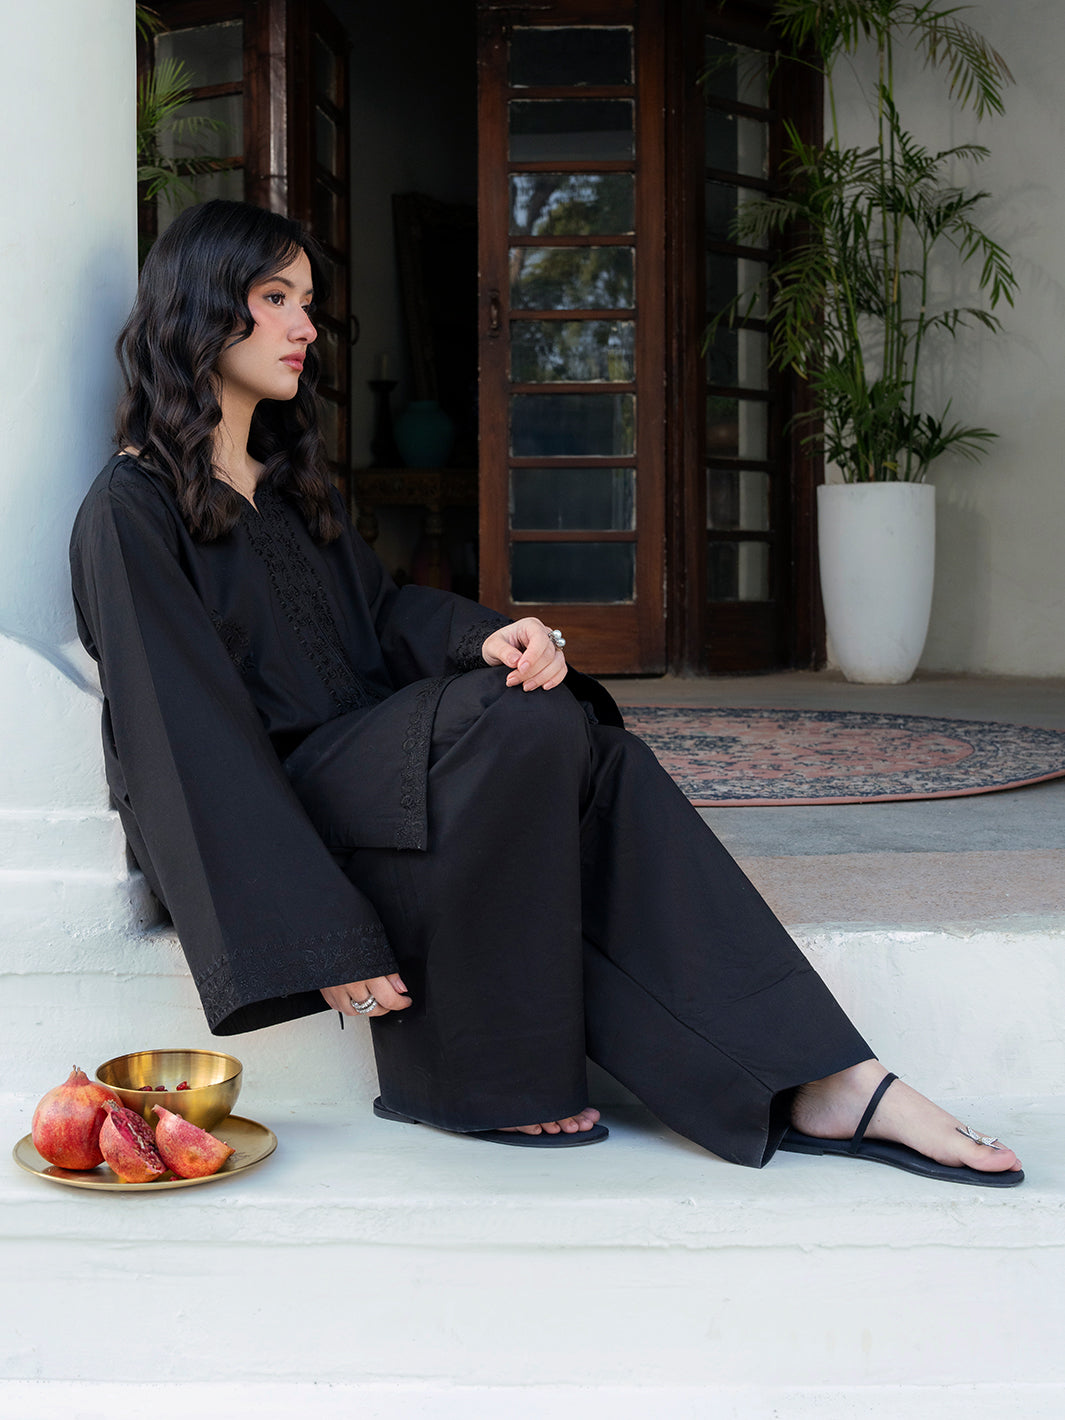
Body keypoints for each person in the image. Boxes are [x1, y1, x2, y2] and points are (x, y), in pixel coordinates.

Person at [70, 199, 1022, 1184]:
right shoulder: (130, 510)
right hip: (280, 806)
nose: (306, 326)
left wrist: (487, 636)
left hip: (370, 762)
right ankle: (486, 1078)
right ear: (202, 303)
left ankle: (832, 1074)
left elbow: (381, 615)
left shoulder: (285, 480)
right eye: (276, 298)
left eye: (308, 302)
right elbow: (184, 743)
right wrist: (320, 931)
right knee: (519, 725)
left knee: (593, 756)